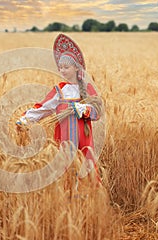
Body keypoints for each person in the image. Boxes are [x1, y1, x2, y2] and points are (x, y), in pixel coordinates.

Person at [16, 33, 104, 185]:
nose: (62, 71)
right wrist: (26, 119)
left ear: (76, 68)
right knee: (64, 171)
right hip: (63, 139)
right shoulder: (60, 89)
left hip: (84, 139)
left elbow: (97, 112)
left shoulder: (88, 88)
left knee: (86, 168)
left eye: (66, 67)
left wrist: (83, 108)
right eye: (60, 67)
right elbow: (44, 107)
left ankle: (89, 202)